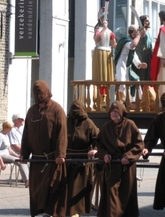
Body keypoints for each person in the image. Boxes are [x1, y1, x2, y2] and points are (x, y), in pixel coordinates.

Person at [21, 80, 68, 217]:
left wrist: (60, 154)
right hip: (37, 161)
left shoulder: (56, 109)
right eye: (36, 93)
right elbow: (26, 134)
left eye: (41, 92)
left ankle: (51, 214)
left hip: (53, 160)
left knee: (52, 189)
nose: (39, 96)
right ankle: (38, 214)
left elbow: (62, 133)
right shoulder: (32, 111)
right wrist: (24, 154)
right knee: (36, 191)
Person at [95, 100, 144, 217]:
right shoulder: (106, 127)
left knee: (126, 193)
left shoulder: (130, 125)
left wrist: (128, 156)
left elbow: (139, 144)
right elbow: (99, 144)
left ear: (121, 113)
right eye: (112, 112)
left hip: (127, 166)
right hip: (112, 165)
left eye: (116, 112)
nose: (114, 114)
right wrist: (104, 154)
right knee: (112, 193)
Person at [66, 100, 100, 217]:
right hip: (68, 159)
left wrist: (95, 149)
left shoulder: (88, 123)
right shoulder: (66, 122)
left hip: (83, 159)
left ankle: (77, 211)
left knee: (80, 186)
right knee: (67, 186)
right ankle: (67, 209)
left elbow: (98, 137)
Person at [114, 25, 147, 107]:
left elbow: (134, 56)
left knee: (136, 80)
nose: (137, 33)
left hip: (127, 68)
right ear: (132, 33)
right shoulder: (125, 41)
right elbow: (133, 45)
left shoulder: (130, 42)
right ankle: (120, 104)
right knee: (122, 84)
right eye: (136, 32)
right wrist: (140, 35)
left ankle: (134, 103)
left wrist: (139, 64)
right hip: (121, 66)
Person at [92, 7, 117, 108]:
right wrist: (104, 29)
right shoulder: (98, 30)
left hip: (107, 54)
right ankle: (100, 98)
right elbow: (97, 39)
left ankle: (107, 98)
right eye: (101, 17)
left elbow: (114, 43)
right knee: (100, 76)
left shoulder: (110, 32)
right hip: (99, 53)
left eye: (104, 17)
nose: (103, 18)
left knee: (107, 77)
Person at [0, 121, 29, 187]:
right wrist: (2, 163)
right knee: (21, 162)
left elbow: (9, 149)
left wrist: (17, 156)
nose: (11, 130)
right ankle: (27, 181)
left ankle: (27, 179)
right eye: (10, 128)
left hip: (7, 154)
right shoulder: (0, 136)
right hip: (2, 155)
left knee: (22, 160)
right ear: (6, 128)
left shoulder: (6, 136)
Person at [132, 15, 152, 81]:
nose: (148, 22)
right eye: (146, 21)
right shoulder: (137, 32)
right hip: (140, 58)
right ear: (142, 22)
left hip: (148, 59)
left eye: (149, 21)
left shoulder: (149, 35)